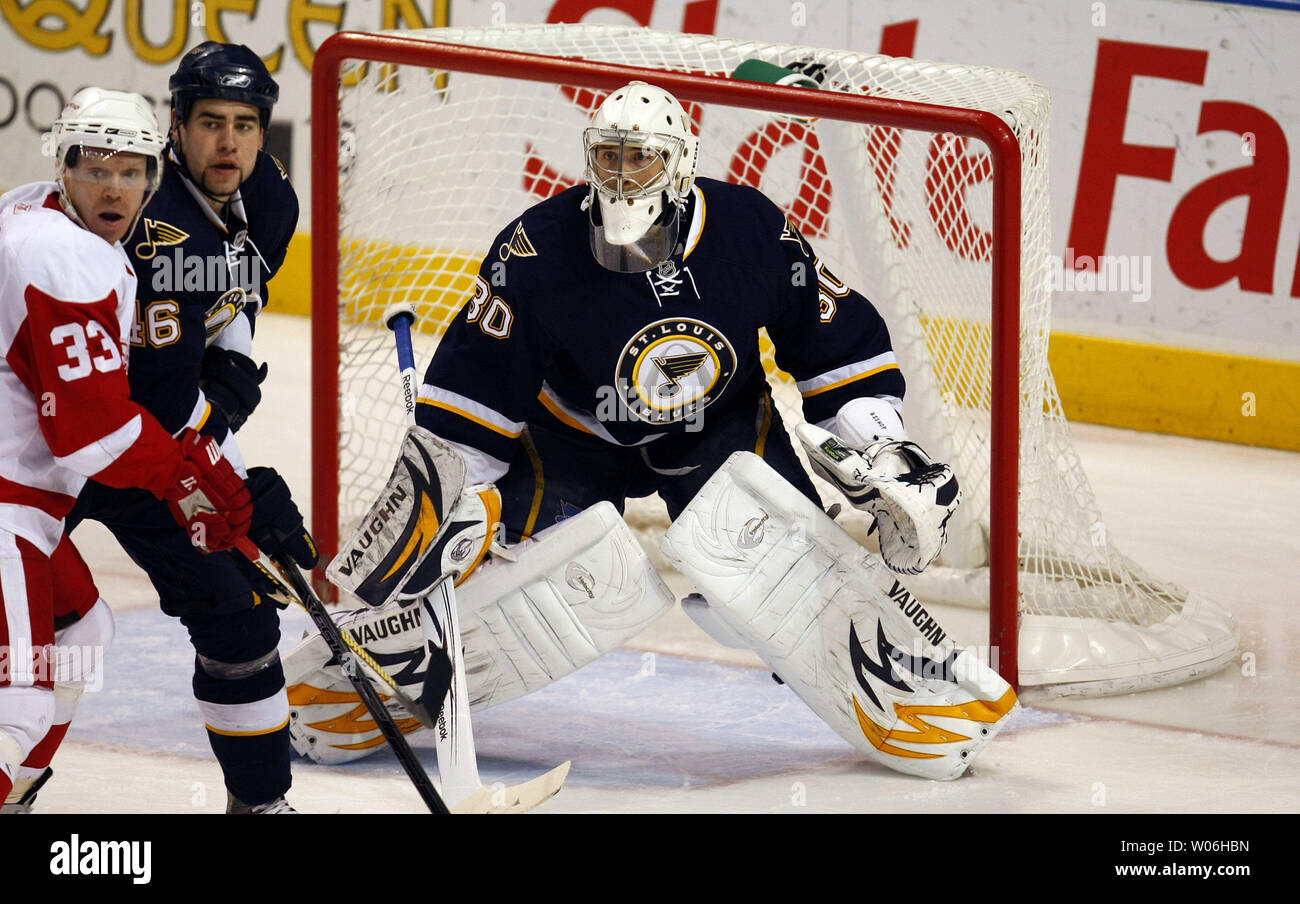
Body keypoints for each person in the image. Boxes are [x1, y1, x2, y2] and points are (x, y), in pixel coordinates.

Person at [287, 82, 1003, 779]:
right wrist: (442, 513)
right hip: (570, 436)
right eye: (609, 156)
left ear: (682, 162)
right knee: (505, 560)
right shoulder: (536, 249)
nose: (623, 175)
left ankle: (908, 695)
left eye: (642, 158)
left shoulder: (750, 230)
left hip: (715, 427)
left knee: (777, 557)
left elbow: (836, 349)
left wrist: (884, 447)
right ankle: (366, 674)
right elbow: (472, 400)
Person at [60, 43, 316, 815]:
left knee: (236, 612)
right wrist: (236, 474)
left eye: (245, 124)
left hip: (143, 447)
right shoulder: (157, 226)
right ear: (177, 127)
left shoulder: (269, 197)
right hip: (53, 446)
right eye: (210, 123)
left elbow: (235, 300)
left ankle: (261, 806)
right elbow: (163, 406)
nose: (229, 143)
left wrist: (230, 378)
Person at [0, 88, 254, 812]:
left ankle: (15, 793)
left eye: (133, 170)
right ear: (64, 164)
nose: (115, 187)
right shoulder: (61, 255)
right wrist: (183, 477)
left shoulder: (29, 209)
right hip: (5, 507)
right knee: (13, 708)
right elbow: (85, 429)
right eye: (96, 167)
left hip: (25, 503)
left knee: (81, 626)